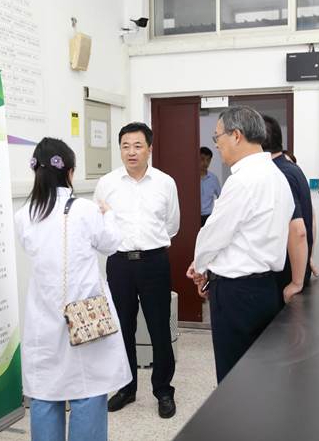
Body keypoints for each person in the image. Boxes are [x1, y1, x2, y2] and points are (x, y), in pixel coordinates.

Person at [14, 137, 131, 441]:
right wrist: (109, 214)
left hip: (43, 317)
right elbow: (110, 243)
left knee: (45, 393)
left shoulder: (24, 216)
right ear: (70, 171)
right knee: (88, 390)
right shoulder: (85, 210)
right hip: (84, 315)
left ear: (36, 172)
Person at [186, 106, 297, 383]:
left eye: (218, 137)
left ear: (236, 135)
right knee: (260, 374)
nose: (217, 144)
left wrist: (199, 265)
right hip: (265, 288)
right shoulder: (278, 176)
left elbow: (214, 234)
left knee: (233, 376)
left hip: (236, 293)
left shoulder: (243, 181)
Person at [93, 122, 179, 418]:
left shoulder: (165, 182)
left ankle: (163, 390)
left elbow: (172, 224)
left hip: (154, 261)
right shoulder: (107, 183)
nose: (131, 152)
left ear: (149, 149)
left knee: (159, 327)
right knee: (122, 329)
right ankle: (126, 388)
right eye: (125, 146)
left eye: (138, 146)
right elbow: (99, 224)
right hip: (119, 264)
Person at [261, 115, 311, 306]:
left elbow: (298, 230)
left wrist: (296, 282)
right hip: (295, 267)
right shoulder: (290, 167)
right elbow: (311, 219)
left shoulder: (277, 173)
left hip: (286, 275)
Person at [199, 146, 221, 226]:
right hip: (193, 216)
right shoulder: (191, 178)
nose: (205, 163)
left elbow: (221, 197)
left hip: (208, 217)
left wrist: (217, 214)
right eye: (202, 159)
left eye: (208, 160)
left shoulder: (213, 179)